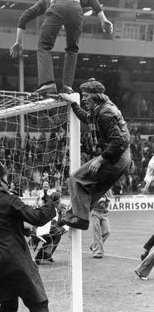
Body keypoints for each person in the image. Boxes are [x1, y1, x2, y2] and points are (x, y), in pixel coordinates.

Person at [0, 158, 61, 312]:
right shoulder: (9, 200)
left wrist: (18, 229)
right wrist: (49, 202)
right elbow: (38, 218)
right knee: (39, 305)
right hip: (14, 259)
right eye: (5, 175)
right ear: (0, 181)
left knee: (8, 305)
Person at [10, 0, 113, 96]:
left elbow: (24, 17)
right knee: (72, 49)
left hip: (57, 5)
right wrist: (103, 19)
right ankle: (67, 86)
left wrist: (18, 41)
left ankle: (47, 82)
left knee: (44, 46)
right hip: (76, 8)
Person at [59, 78, 131, 230]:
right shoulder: (101, 109)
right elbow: (86, 117)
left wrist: (100, 159)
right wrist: (73, 103)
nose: (84, 99)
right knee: (91, 190)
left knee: (76, 178)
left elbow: (119, 141)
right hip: (122, 159)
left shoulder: (105, 113)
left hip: (117, 157)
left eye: (86, 96)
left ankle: (80, 219)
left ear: (95, 95)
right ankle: (75, 217)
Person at [33, 201, 69, 265]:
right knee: (57, 234)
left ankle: (44, 256)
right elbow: (53, 223)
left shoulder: (58, 211)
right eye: (62, 207)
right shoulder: (51, 210)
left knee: (56, 235)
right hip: (41, 229)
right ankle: (46, 254)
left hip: (47, 230)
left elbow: (58, 223)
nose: (63, 209)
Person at [89, 191, 111, 258]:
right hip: (95, 212)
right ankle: (97, 252)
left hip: (103, 213)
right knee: (97, 232)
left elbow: (109, 200)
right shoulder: (95, 189)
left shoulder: (108, 190)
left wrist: (107, 207)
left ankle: (93, 245)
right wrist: (101, 200)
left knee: (107, 232)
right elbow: (92, 201)